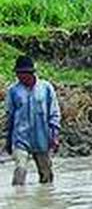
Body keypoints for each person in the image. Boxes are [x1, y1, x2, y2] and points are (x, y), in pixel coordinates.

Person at [4, 55, 60, 186]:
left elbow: (54, 113)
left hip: (42, 138)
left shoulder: (46, 88)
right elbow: (10, 116)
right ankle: (18, 199)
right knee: (20, 169)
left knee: (46, 175)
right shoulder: (13, 91)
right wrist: (8, 140)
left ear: (31, 73)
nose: (20, 77)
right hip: (20, 138)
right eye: (18, 74)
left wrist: (55, 136)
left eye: (22, 74)